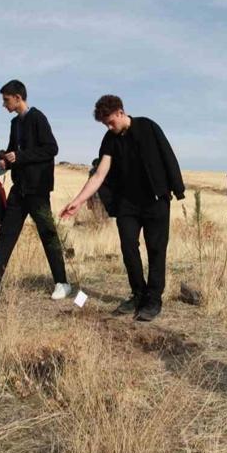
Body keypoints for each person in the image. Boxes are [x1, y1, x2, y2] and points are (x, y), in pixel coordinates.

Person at [61, 94, 185, 322]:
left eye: (110, 122)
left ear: (120, 112)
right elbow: (99, 174)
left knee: (156, 249)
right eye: (105, 124)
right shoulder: (110, 139)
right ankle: (138, 294)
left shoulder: (147, 126)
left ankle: (154, 299)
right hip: (128, 204)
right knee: (129, 247)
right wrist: (77, 201)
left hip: (156, 200)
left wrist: (177, 188)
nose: (109, 127)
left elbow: (167, 154)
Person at [0, 80, 71, 300]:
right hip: (19, 188)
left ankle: (62, 283)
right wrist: (8, 162)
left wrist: (20, 157)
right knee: (7, 234)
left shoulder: (37, 117)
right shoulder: (15, 124)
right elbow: (14, 151)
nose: (4, 105)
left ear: (18, 97)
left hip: (38, 189)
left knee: (47, 234)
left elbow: (52, 148)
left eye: (6, 100)